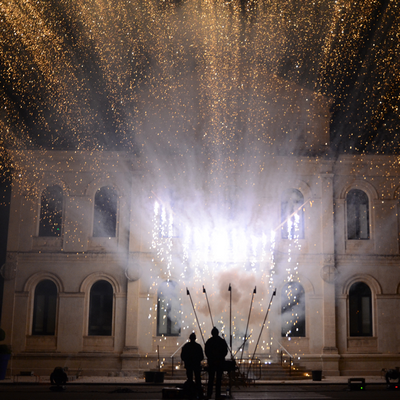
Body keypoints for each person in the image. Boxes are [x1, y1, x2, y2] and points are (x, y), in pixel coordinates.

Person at [205, 327, 228, 400]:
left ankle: (209, 394)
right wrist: (219, 359)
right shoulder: (221, 341)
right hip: (220, 363)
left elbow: (207, 352)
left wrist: (212, 359)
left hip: (212, 363)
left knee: (211, 380)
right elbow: (225, 352)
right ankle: (217, 395)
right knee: (218, 380)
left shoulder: (209, 341)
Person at [181, 332, 204, 398]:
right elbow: (201, 357)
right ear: (195, 338)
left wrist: (187, 360)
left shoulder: (186, 346)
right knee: (198, 380)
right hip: (196, 365)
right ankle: (199, 393)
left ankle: (190, 393)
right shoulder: (198, 346)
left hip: (189, 365)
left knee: (189, 379)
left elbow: (182, 356)